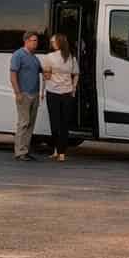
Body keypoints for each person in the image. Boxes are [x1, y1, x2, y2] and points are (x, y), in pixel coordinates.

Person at [38, 34, 80, 162]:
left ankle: (59, 151)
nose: (52, 43)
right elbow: (76, 74)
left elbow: (45, 76)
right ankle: (60, 152)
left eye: (53, 41)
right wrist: (73, 89)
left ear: (59, 42)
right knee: (64, 124)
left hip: (53, 93)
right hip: (66, 94)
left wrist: (42, 91)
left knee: (55, 123)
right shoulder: (71, 57)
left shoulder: (49, 57)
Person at [9, 31, 43, 161]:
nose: (36, 43)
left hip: (34, 94)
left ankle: (25, 150)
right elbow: (13, 76)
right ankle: (19, 152)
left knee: (30, 124)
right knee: (24, 123)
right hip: (24, 94)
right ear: (26, 41)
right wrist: (17, 93)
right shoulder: (18, 55)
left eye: (36, 41)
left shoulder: (34, 57)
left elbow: (42, 71)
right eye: (34, 40)